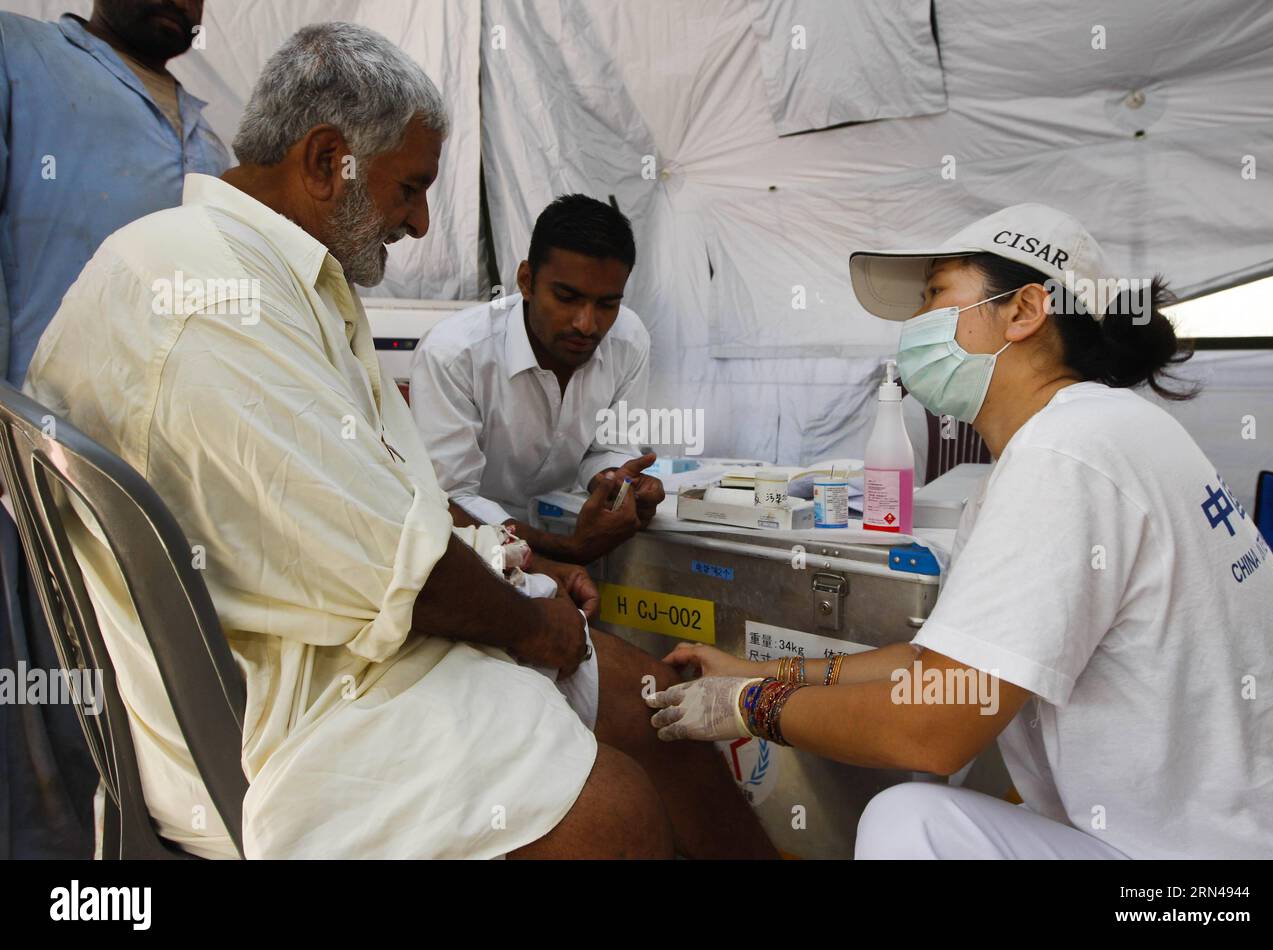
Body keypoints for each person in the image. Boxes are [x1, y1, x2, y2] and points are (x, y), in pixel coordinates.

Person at [24, 22, 773, 859]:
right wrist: (534, 627)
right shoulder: (212, 298)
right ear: (323, 161)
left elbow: (387, 493)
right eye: (410, 189)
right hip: (296, 718)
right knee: (616, 812)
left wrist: (513, 555)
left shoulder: (262, 274)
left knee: (660, 709)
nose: (419, 225)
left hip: (347, 656)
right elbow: (398, 571)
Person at [645, 204, 1273, 859]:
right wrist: (758, 669)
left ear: (1023, 311)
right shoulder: (1104, 429)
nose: (915, 324)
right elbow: (934, 667)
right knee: (920, 822)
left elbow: (932, 726)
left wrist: (748, 704)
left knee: (907, 825)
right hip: (1227, 837)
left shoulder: (1065, 454)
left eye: (935, 294)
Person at [0, 0, 227, 859]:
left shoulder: (210, 141)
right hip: (33, 480)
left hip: (169, 501)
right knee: (41, 735)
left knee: (162, 740)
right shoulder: (20, 59)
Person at [408, 195, 666, 563]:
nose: (586, 324)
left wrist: (618, 483)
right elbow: (450, 501)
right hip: (471, 556)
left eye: (607, 304)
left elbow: (606, 448)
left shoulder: (629, 338)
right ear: (526, 281)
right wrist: (566, 550)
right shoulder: (454, 354)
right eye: (566, 297)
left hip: (574, 536)